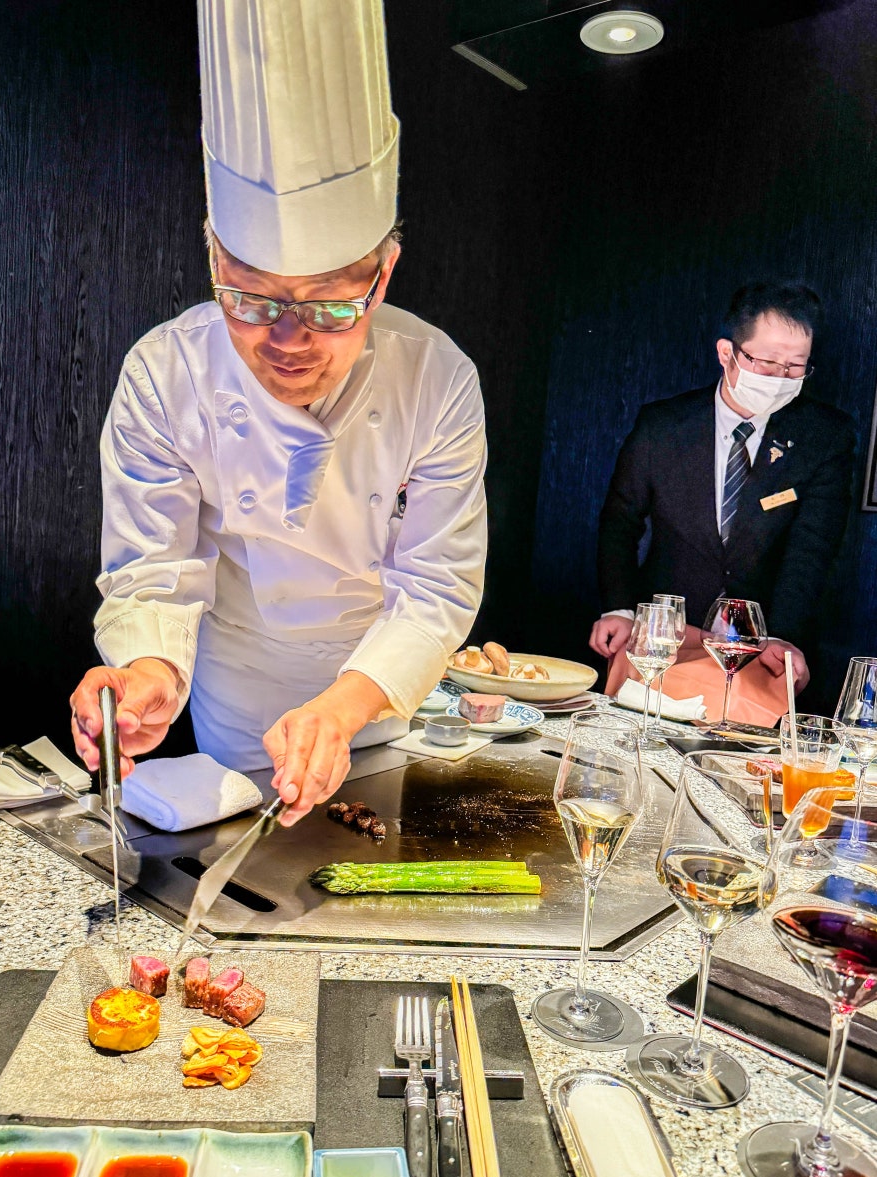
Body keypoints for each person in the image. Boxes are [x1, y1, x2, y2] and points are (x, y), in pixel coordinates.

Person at [69, 0, 488, 825]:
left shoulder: (437, 377)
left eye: (330, 306)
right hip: (237, 696)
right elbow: (155, 565)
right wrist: (147, 673)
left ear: (384, 275)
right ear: (214, 256)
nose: (288, 339)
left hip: (378, 693)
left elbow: (437, 584)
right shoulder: (166, 372)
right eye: (251, 299)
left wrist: (342, 710)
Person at [589, 282, 855, 696]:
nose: (780, 378)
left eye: (795, 366)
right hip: (663, 635)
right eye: (767, 362)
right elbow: (620, 521)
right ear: (726, 353)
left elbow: (813, 550)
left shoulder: (824, 437)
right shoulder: (663, 426)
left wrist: (783, 637)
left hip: (760, 647)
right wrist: (619, 607)